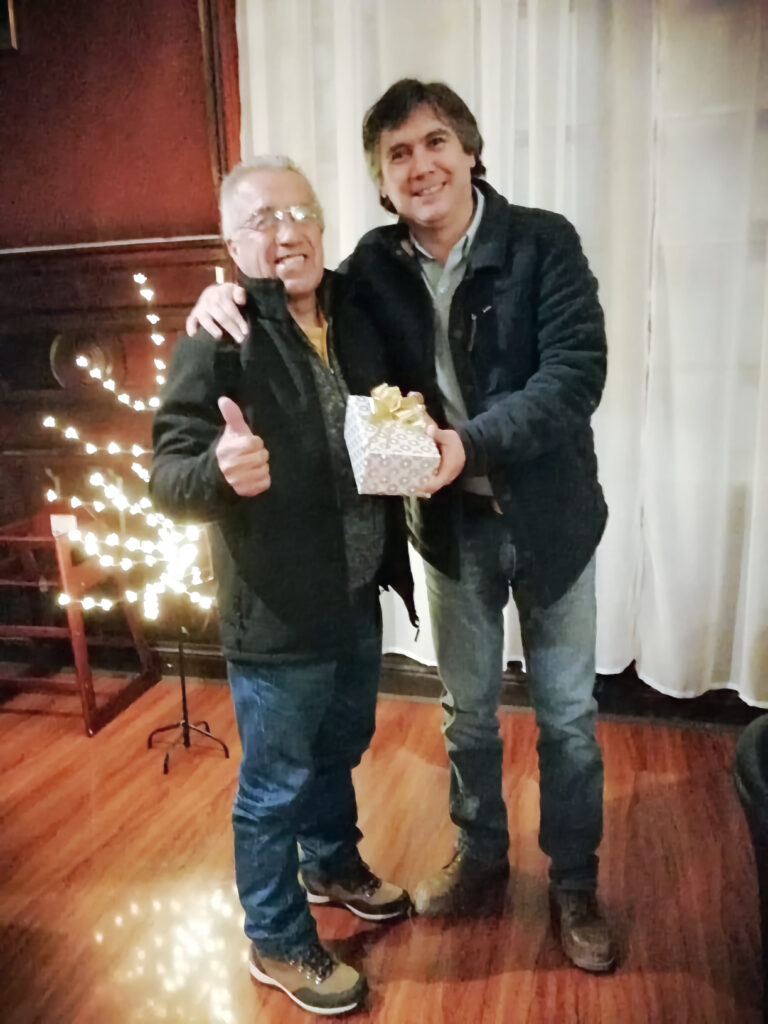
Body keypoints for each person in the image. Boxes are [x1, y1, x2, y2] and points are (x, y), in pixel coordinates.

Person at [187, 79, 615, 973]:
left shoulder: (543, 242)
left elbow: (575, 376)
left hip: (552, 518)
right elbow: (292, 292)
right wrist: (220, 298)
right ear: (381, 182)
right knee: (468, 714)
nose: (420, 165)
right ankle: (482, 854)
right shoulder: (373, 270)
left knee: (569, 717)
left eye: (434, 143)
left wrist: (467, 444)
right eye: (397, 154)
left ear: (469, 151)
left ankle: (575, 880)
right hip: (453, 527)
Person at [151, 156, 415, 1016]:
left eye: (300, 211)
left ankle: (330, 862)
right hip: (274, 611)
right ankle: (274, 935)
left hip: (357, 592)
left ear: (323, 224)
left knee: (339, 745)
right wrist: (220, 472)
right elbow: (167, 473)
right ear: (232, 244)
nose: (287, 230)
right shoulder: (217, 336)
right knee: (273, 786)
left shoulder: (355, 312)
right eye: (262, 219)